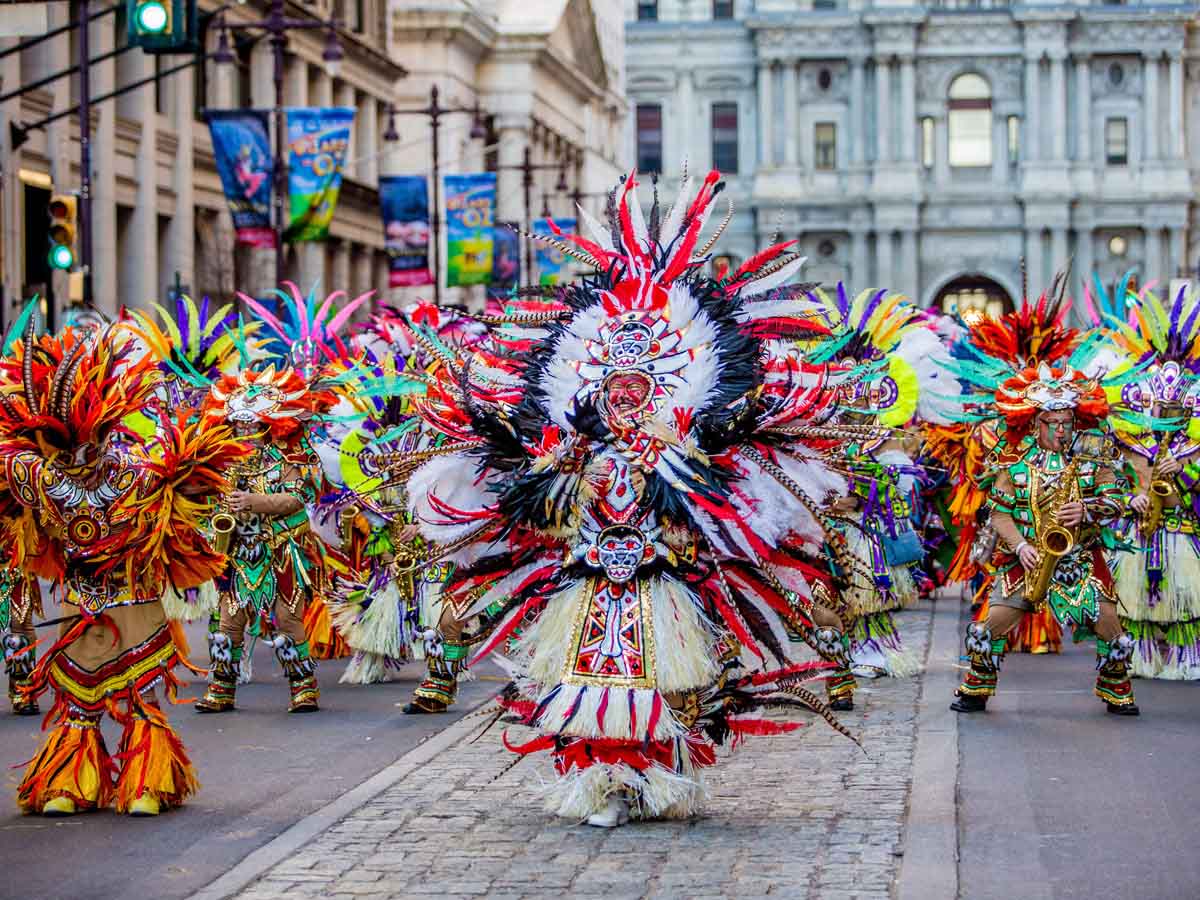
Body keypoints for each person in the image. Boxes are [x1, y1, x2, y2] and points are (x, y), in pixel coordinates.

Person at [394, 170, 862, 827]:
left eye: (636, 386)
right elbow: (542, 515)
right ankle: (599, 783)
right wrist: (556, 474)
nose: (623, 397)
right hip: (588, 588)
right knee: (588, 688)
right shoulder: (575, 446)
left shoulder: (676, 448)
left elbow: (704, 519)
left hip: (656, 585)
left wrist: (677, 461)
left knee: (660, 690)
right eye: (613, 385)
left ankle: (649, 780)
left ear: (656, 390)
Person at [4, 317, 247, 815]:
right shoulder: (42, 480)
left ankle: (146, 781)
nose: (74, 461)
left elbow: (195, 485)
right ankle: (71, 783)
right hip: (82, 608)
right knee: (77, 701)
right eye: (61, 451)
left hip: (135, 602)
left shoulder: (137, 477)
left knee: (142, 696)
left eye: (82, 448)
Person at [950, 363, 1139, 715]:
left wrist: (1088, 509)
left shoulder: (1094, 454)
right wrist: (1020, 546)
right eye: (1053, 424)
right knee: (984, 631)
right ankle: (976, 688)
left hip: (1080, 559)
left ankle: (1116, 689)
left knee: (1114, 631)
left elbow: (1118, 502)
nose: (1061, 431)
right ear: (1035, 423)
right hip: (1029, 560)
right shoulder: (1012, 459)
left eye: (1067, 423)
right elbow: (999, 513)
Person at [193, 365, 333, 714]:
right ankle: (221, 688)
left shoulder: (291, 456)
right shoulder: (219, 459)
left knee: (287, 619)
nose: (243, 428)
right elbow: (203, 497)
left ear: (268, 423)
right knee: (228, 622)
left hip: (282, 549)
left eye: (250, 422)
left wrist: (255, 502)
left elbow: (297, 497)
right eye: (238, 422)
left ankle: (304, 688)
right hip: (238, 551)